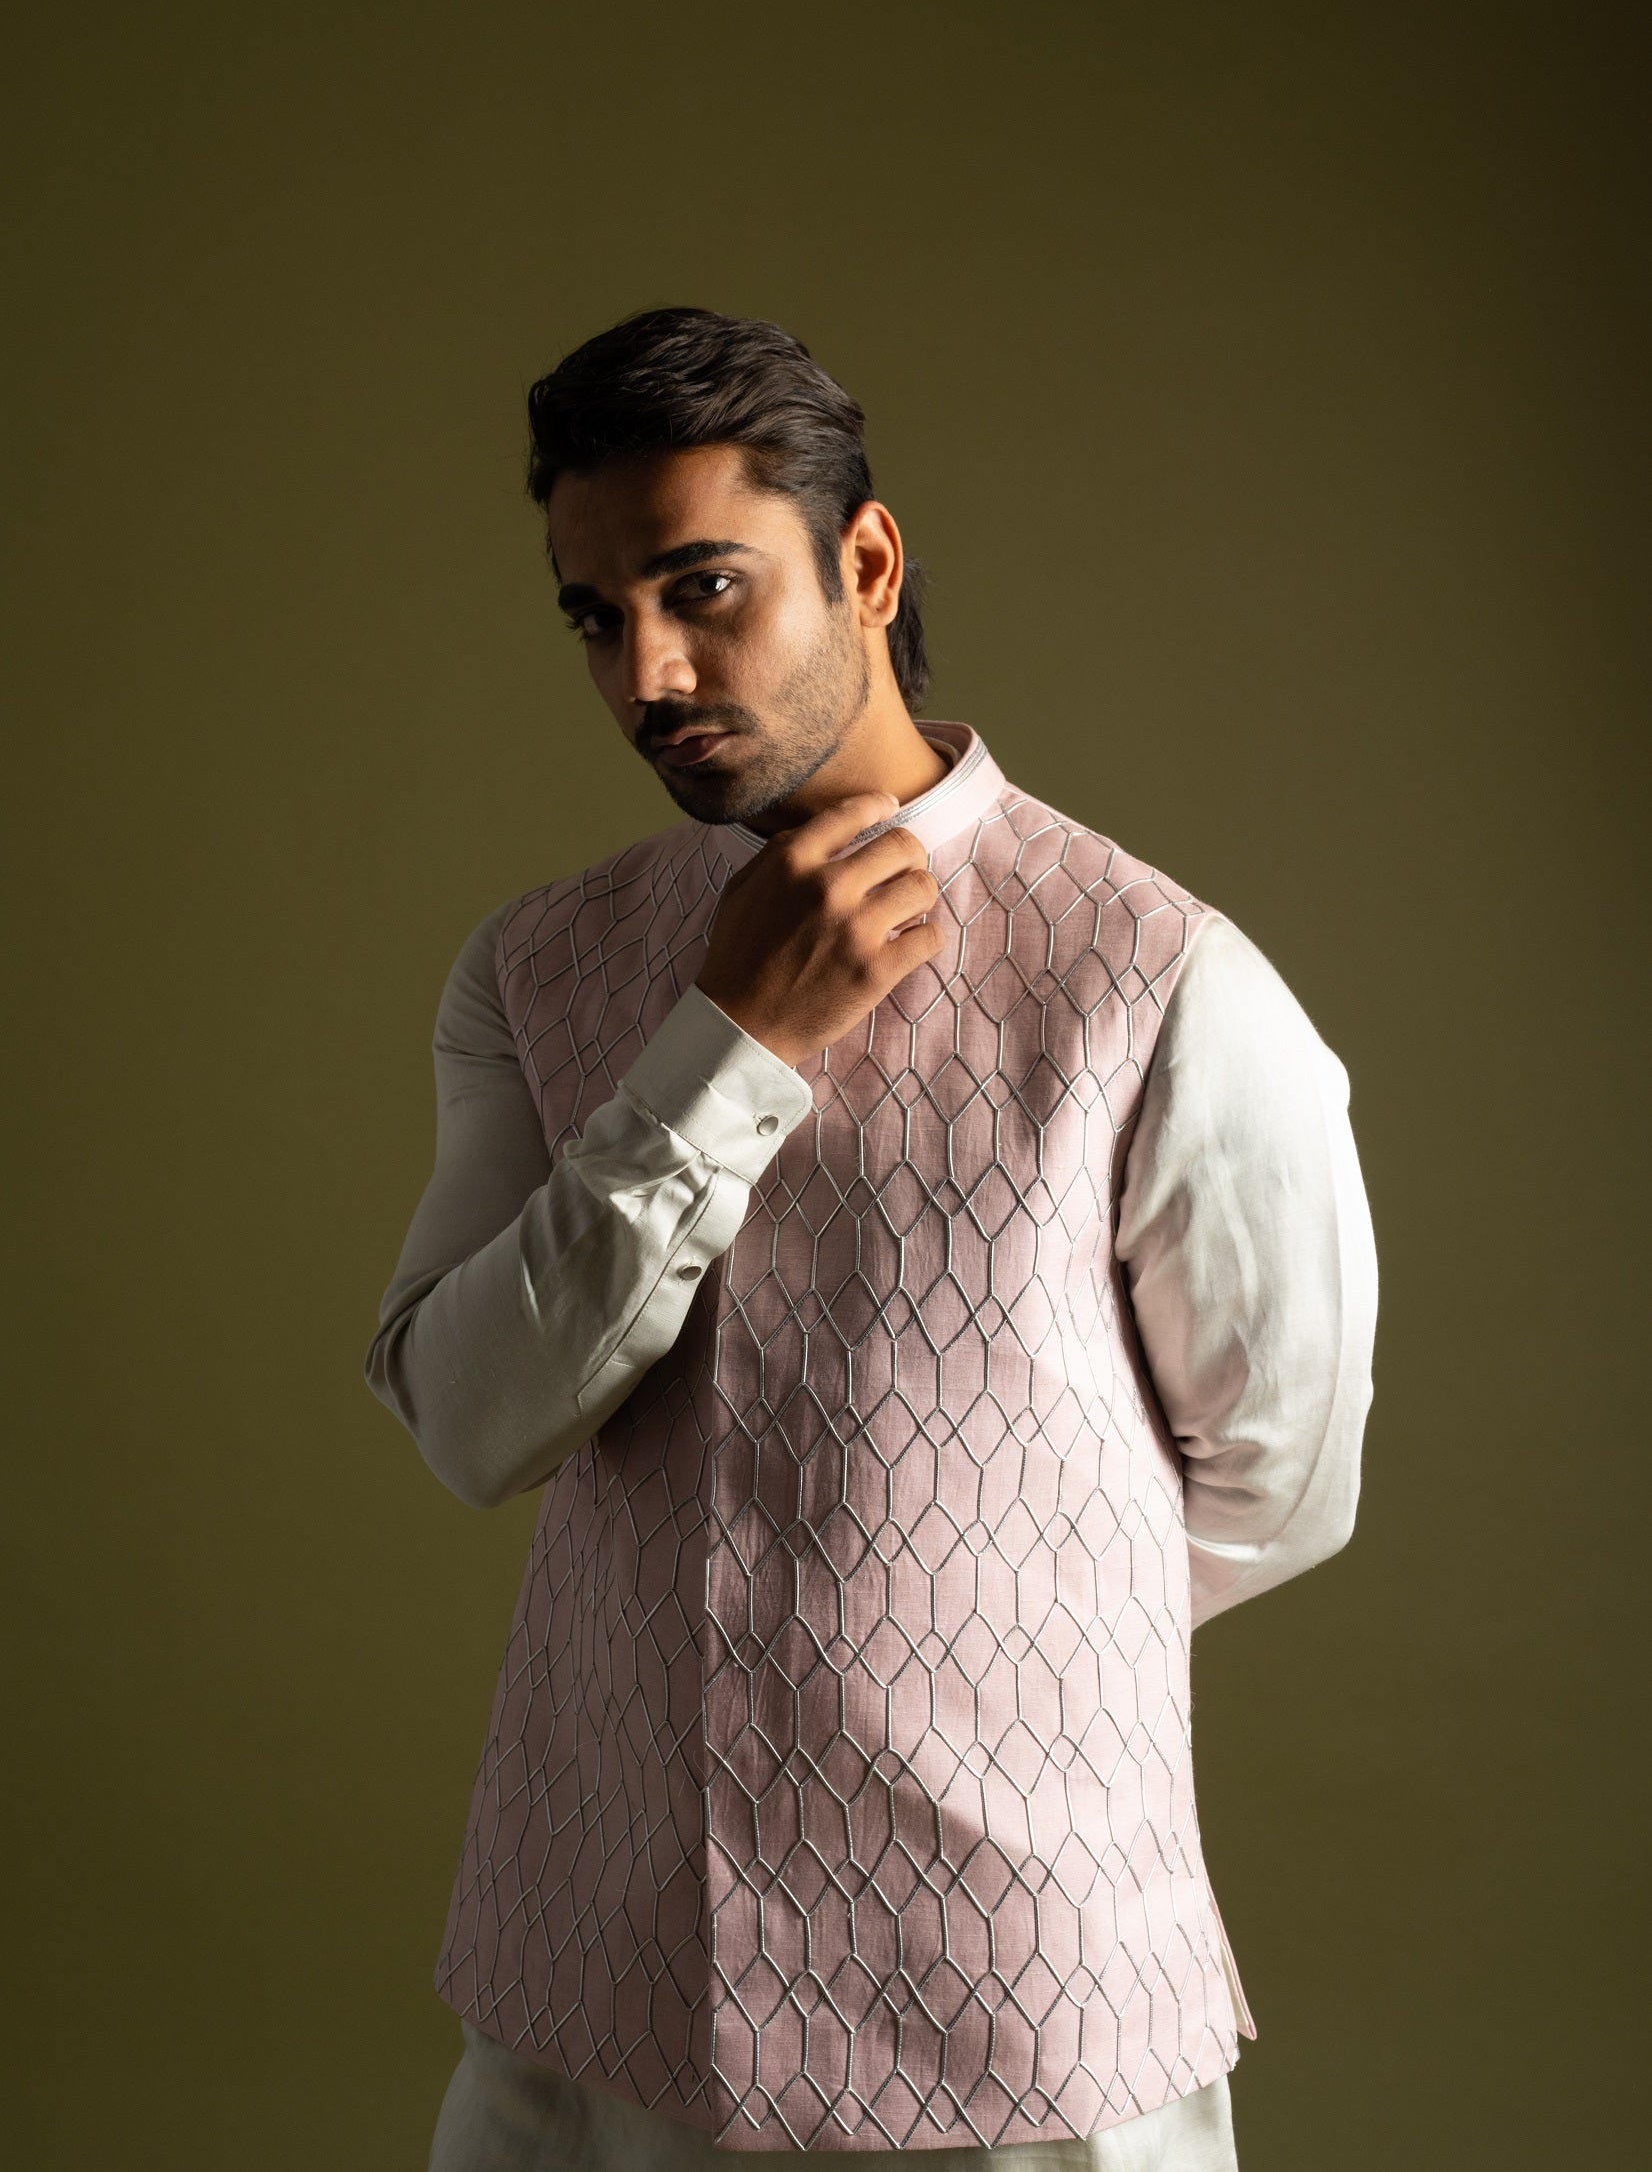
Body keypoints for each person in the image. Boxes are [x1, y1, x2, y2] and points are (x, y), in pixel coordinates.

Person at [366, 308, 1378, 2171]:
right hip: (598, 1983)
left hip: (1021, 2005)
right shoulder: (537, 969)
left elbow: (1283, 1483)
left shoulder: (1161, 980)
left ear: (869, 563)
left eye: (702, 587)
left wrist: (950, 1636)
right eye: (596, 616)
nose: (649, 671)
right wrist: (725, 1046)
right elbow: (468, 1414)